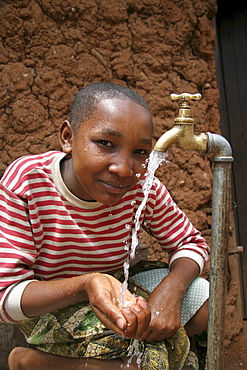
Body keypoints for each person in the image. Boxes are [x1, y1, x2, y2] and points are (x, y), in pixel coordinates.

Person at [0, 82, 209, 370]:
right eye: (105, 144)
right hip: (49, 304)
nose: (124, 168)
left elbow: (191, 243)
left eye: (139, 151)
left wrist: (168, 294)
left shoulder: (141, 185)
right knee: (144, 355)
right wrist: (85, 284)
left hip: (115, 284)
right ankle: (34, 362)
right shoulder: (26, 183)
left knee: (205, 303)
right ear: (68, 137)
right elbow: (5, 297)